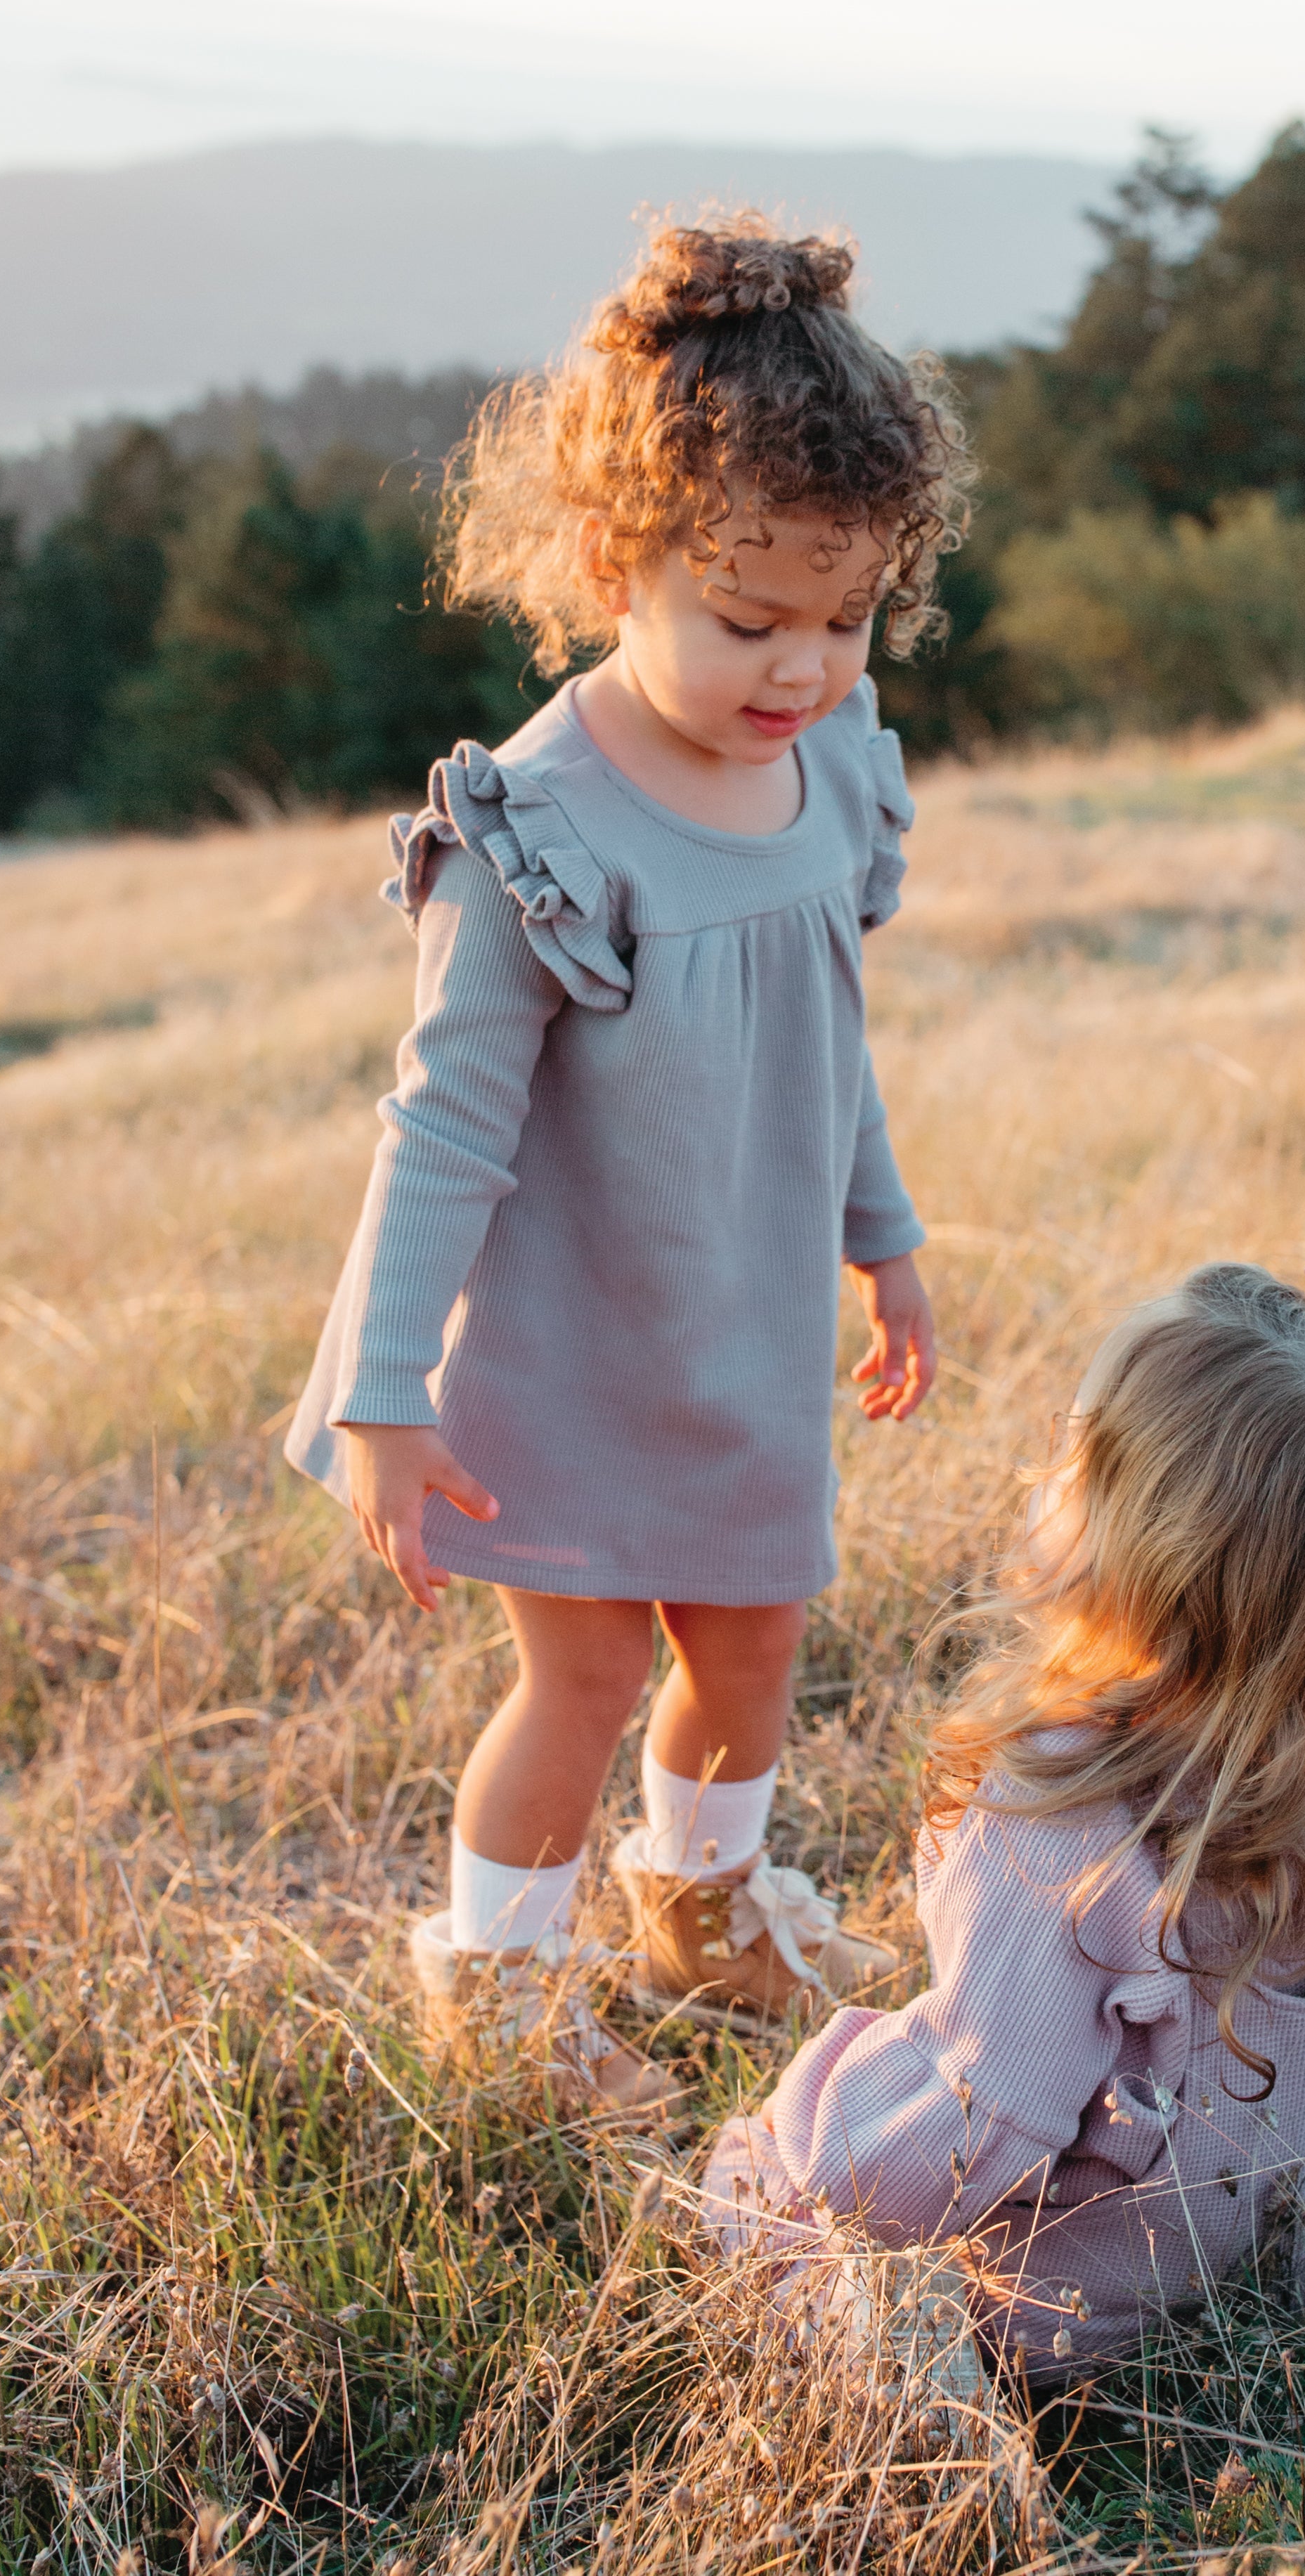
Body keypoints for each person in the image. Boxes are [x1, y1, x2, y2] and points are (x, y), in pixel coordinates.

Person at [286, 214, 973, 2123]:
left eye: (844, 620)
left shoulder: (829, 774)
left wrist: (885, 1244)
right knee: (581, 1678)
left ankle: (700, 1902)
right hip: (561, 1351)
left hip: (737, 1318)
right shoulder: (542, 831)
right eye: (749, 619)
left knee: (754, 1638)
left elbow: (826, 1047)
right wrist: (384, 1396)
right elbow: (436, 1130)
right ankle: (497, 1997)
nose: (801, 667)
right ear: (611, 563)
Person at [703, 1245, 1305, 2379]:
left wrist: (803, 2192)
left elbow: (981, 2111)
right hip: (1281, 2248)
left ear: (1143, 1551)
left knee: (767, 2188)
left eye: (1077, 1454)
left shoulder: (1057, 1812)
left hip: (1056, 2311)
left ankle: (893, 2347)